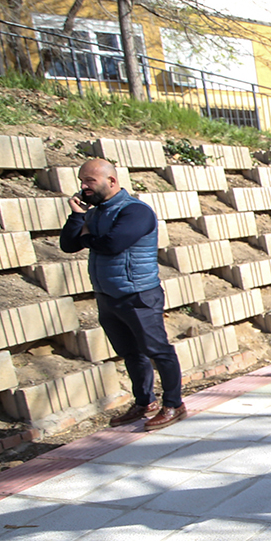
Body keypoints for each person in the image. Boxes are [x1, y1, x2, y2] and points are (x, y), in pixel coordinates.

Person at [60, 158, 185, 431]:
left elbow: (112, 244)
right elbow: (67, 245)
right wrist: (78, 217)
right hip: (107, 296)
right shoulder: (93, 213)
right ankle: (144, 402)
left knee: (157, 349)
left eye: (90, 181)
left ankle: (174, 405)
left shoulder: (135, 211)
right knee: (130, 353)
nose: (84, 186)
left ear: (111, 181)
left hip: (138, 294)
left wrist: (87, 237)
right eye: (82, 181)